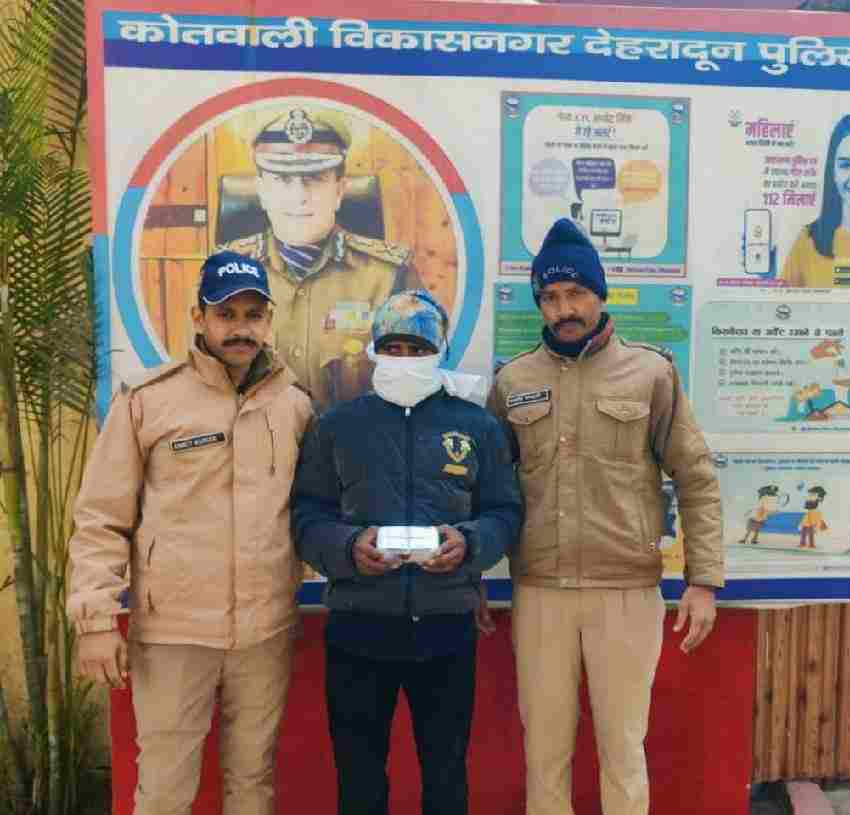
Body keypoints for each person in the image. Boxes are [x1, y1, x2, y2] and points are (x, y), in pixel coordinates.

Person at [487, 219, 724, 815]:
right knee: (544, 754)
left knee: (622, 750)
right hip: (540, 593)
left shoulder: (650, 374)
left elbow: (695, 476)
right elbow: (487, 491)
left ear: (599, 294)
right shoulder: (513, 380)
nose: (564, 309)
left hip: (625, 593)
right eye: (549, 297)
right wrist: (469, 578)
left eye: (576, 293)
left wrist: (703, 580)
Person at [67, 251, 314, 815]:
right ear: (198, 317)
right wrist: (95, 620)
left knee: (253, 780)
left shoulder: (294, 404)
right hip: (175, 633)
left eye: (253, 315)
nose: (240, 328)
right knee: (164, 788)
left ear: (268, 320)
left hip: (265, 632)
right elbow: (101, 518)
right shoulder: (148, 400)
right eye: (226, 314)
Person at [290, 289, 522, 815]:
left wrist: (470, 544)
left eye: (417, 349)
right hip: (358, 630)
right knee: (359, 778)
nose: (404, 359)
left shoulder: (476, 426)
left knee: (446, 775)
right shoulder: (337, 426)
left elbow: (505, 512)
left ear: (439, 350)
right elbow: (307, 516)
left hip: (446, 631)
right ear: (374, 350)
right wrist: (349, 547)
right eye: (392, 347)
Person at [219, 106, 419, 408]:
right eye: (282, 180)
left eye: (315, 179)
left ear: (340, 190)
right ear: (261, 191)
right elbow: (197, 387)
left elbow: (416, 383)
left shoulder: (390, 275)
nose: (299, 196)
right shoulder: (222, 275)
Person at [780, 112, 850, 288]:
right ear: (833, 172)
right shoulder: (808, 240)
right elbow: (778, 301)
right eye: (845, 165)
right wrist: (763, 276)